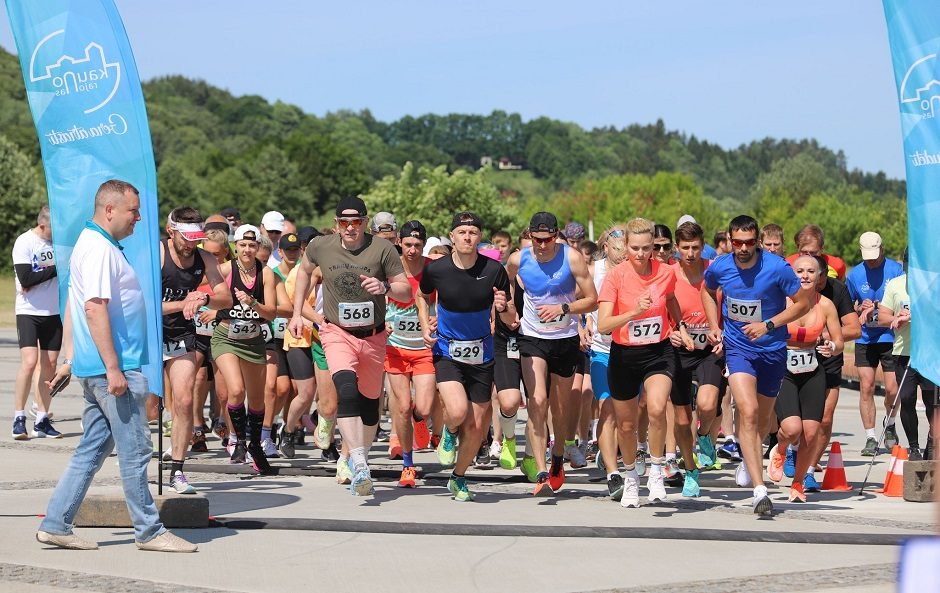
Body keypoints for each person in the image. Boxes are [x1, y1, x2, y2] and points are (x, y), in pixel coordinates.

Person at [37, 180, 197, 552]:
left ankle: (55, 523)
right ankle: (150, 532)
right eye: (133, 211)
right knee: (136, 450)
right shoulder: (96, 249)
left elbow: (78, 307)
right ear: (110, 210)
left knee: (92, 449)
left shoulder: (101, 246)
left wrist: (73, 358)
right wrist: (113, 368)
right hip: (115, 370)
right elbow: (92, 308)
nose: (139, 218)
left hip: (103, 367)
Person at [288, 196, 409, 497]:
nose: (351, 227)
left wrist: (386, 288)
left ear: (366, 223)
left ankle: (357, 456)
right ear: (337, 224)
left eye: (357, 222)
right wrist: (295, 312)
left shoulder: (383, 249)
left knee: (370, 406)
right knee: (345, 388)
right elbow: (304, 272)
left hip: (373, 336)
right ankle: (360, 465)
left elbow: (405, 290)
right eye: (345, 222)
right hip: (336, 331)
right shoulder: (320, 246)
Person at [702, 215, 814, 515]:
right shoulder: (721, 266)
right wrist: (714, 324)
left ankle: (748, 458)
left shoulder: (777, 268)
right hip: (739, 349)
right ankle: (760, 489)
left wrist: (769, 324)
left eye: (749, 243)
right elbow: (707, 291)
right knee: (747, 411)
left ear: (758, 242)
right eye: (737, 242)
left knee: (763, 421)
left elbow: (803, 303)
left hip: (773, 350)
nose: (742, 248)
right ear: (729, 239)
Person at [417, 211, 516, 501]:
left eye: (473, 232)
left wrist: (502, 307)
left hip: (482, 354)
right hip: (447, 350)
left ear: (479, 237)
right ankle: (448, 430)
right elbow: (422, 297)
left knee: (476, 427)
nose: (467, 237)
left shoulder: (494, 269)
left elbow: (511, 317)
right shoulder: (437, 269)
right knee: (458, 411)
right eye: (462, 232)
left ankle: (458, 477)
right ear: (452, 237)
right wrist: (426, 323)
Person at [597, 218, 692, 508]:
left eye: (646, 248)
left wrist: (681, 327)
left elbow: (672, 299)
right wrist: (633, 313)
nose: (640, 254)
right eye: (635, 248)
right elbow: (603, 325)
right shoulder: (616, 277)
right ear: (625, 246)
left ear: (654, 246)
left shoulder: (666, 273)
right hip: (624, 354)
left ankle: (656, 471)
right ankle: (629, 477)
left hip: (658, 351)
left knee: (656, 407)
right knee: (626, 426)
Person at [506, 212, 598, 495]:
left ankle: (558, 456)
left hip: (565, 338)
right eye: (537, 240)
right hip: (533, 338)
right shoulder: (518, 259)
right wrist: (509, 308)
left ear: (556, 235)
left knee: (560, 406)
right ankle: (541, 469)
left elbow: (593, 300)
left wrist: (564, 309)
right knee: (537, 400)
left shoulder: (572, 258)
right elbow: (505, 283)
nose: (542, 245)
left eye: (547, 240)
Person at [160, 207, 230, 493]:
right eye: (186, 238)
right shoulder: (157, 254)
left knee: (185, 401)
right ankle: (136, 460)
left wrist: (203, 296)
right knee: (149, 409)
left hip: (181, 335)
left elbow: (224, 297)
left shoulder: (205, 257)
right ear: (171, 231)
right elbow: (144, 304)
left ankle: (177, 469)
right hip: (150, 332)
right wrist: (183, 303)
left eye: (196, 238)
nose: (191, 244)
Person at [767, 255, 844, 502]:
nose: (805, 275)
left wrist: (832, 346)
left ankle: (798, 483)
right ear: (792, 273)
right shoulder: (780, 301)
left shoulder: (826, 305)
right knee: (791, 429)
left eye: (811, 271)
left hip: (812, 370)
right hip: (783, 369)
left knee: (811, 433)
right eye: (799, 270)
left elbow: (840, 341)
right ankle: (779, 449)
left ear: (820, 276)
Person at [208, 224, 278, 473]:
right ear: (234, 247)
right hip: (226, 337)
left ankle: (255, 446)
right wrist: (214, 310)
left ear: (258, 247)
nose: (247, 249)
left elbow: (271, 313)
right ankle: (237, 440)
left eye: (252, 245)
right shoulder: (224, 270)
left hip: (253, 340)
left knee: (257, 401)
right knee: (235, 390)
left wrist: (252, 303)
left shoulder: (266, 273)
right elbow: (204, 294)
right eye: (242, 245)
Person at [669, 221, 727, 497]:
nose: (690, 253)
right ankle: (691, 471)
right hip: (679, 350)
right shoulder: (669, 275)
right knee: (681, 420)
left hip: (708, 348)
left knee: (706, 404)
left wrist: (724, 334)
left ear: (703, 246)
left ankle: (704, 436)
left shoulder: (714, 272)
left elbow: (729, 305)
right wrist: (671, 332)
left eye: (695, 247)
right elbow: (658, 311)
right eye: (685, 248)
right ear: (676, 249)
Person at [385, 221, 436, 487]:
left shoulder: (432, 269)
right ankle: (407, 464)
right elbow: (377, 299)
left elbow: (444, 301)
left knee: (424, 408)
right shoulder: (390, 268)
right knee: (402, 406)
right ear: (400, 244)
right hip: (394, 348)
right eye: (408, 245)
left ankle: (420, 422)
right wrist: (382, 321)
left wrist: (439, 319)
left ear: (423, 245)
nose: (413, 250)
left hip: (424, 348)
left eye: (417, 245)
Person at [804, 251, 861, 489]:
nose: (811, 280)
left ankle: (808, 470)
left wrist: (828, 336)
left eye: (817, 276)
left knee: (825, 419)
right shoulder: (792, 289)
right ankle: (789, 451)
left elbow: (854, 329)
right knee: (796, 423)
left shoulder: (837, 291)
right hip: (798, 359)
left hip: (828, 359)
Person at [846, 231, 904, 456]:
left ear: (882, 249)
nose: (871, 259)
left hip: (890, 336)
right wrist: (859, 309)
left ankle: (889, 425)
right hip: (865, 338)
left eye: (874, 254)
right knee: (866, 386)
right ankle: (870, 437)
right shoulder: (854, 275)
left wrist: (884, 307)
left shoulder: (896, 270)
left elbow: (904, 299)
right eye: (867, 255)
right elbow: (847, 306)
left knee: (892, 388)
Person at [878, 248, 935, 461]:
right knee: (907, 398)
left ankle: (932, 440)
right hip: (904, 352)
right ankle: (913, 447)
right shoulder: (895, 285)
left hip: (929, 353)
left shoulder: (935, 284)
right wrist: (896, 318)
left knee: (932, 401)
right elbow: (882, 317)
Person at [12, 206, 63, 440]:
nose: (58, 232)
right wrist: (56, 269)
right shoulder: (25, 242)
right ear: (43, 225)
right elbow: (26, 278)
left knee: (50, 365)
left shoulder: (59, 244)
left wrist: (43, 274)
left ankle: (42, 419)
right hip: (29, 311)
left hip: (54, 312)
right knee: (30, 362)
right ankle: (19, 416)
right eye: (54, 228)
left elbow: (37, 277)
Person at [585, 225, 628, 498]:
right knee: (607, 407)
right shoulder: (594, 269)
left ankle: (624, 449)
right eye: (617, 249)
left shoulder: (635, 270)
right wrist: (583, 323)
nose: (622, 255)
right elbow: (581, 299)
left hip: (631, 350)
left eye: (627, 250)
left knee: (632, 411)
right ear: (606, 247)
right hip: (602, 349)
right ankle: (613, 474)